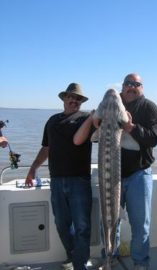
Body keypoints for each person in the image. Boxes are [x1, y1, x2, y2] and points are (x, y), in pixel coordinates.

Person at [25, 83, 94, 270]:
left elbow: (102, 134)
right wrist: (32, 169)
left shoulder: (87, 118)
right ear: (64, 99)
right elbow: (46, 148)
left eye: (78, 98)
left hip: (79, 180)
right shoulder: (52, 120)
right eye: (71, 97)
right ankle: (72, 256)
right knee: (61, 224)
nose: (74, 100)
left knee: (82, 226)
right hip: (56, 180)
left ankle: (80, 265)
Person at [120, 73, 157, 270]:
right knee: (109, 222)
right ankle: (108, 257)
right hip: (112, 175)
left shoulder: (149, 108)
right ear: (122, 86)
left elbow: (153, 138)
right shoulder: (114, 104)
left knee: (140, 225)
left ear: (142, 88)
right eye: (128, 83)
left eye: (136, 84)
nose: (131, 87)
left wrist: (130, 127)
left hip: (139, 174)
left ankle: (140, 264)